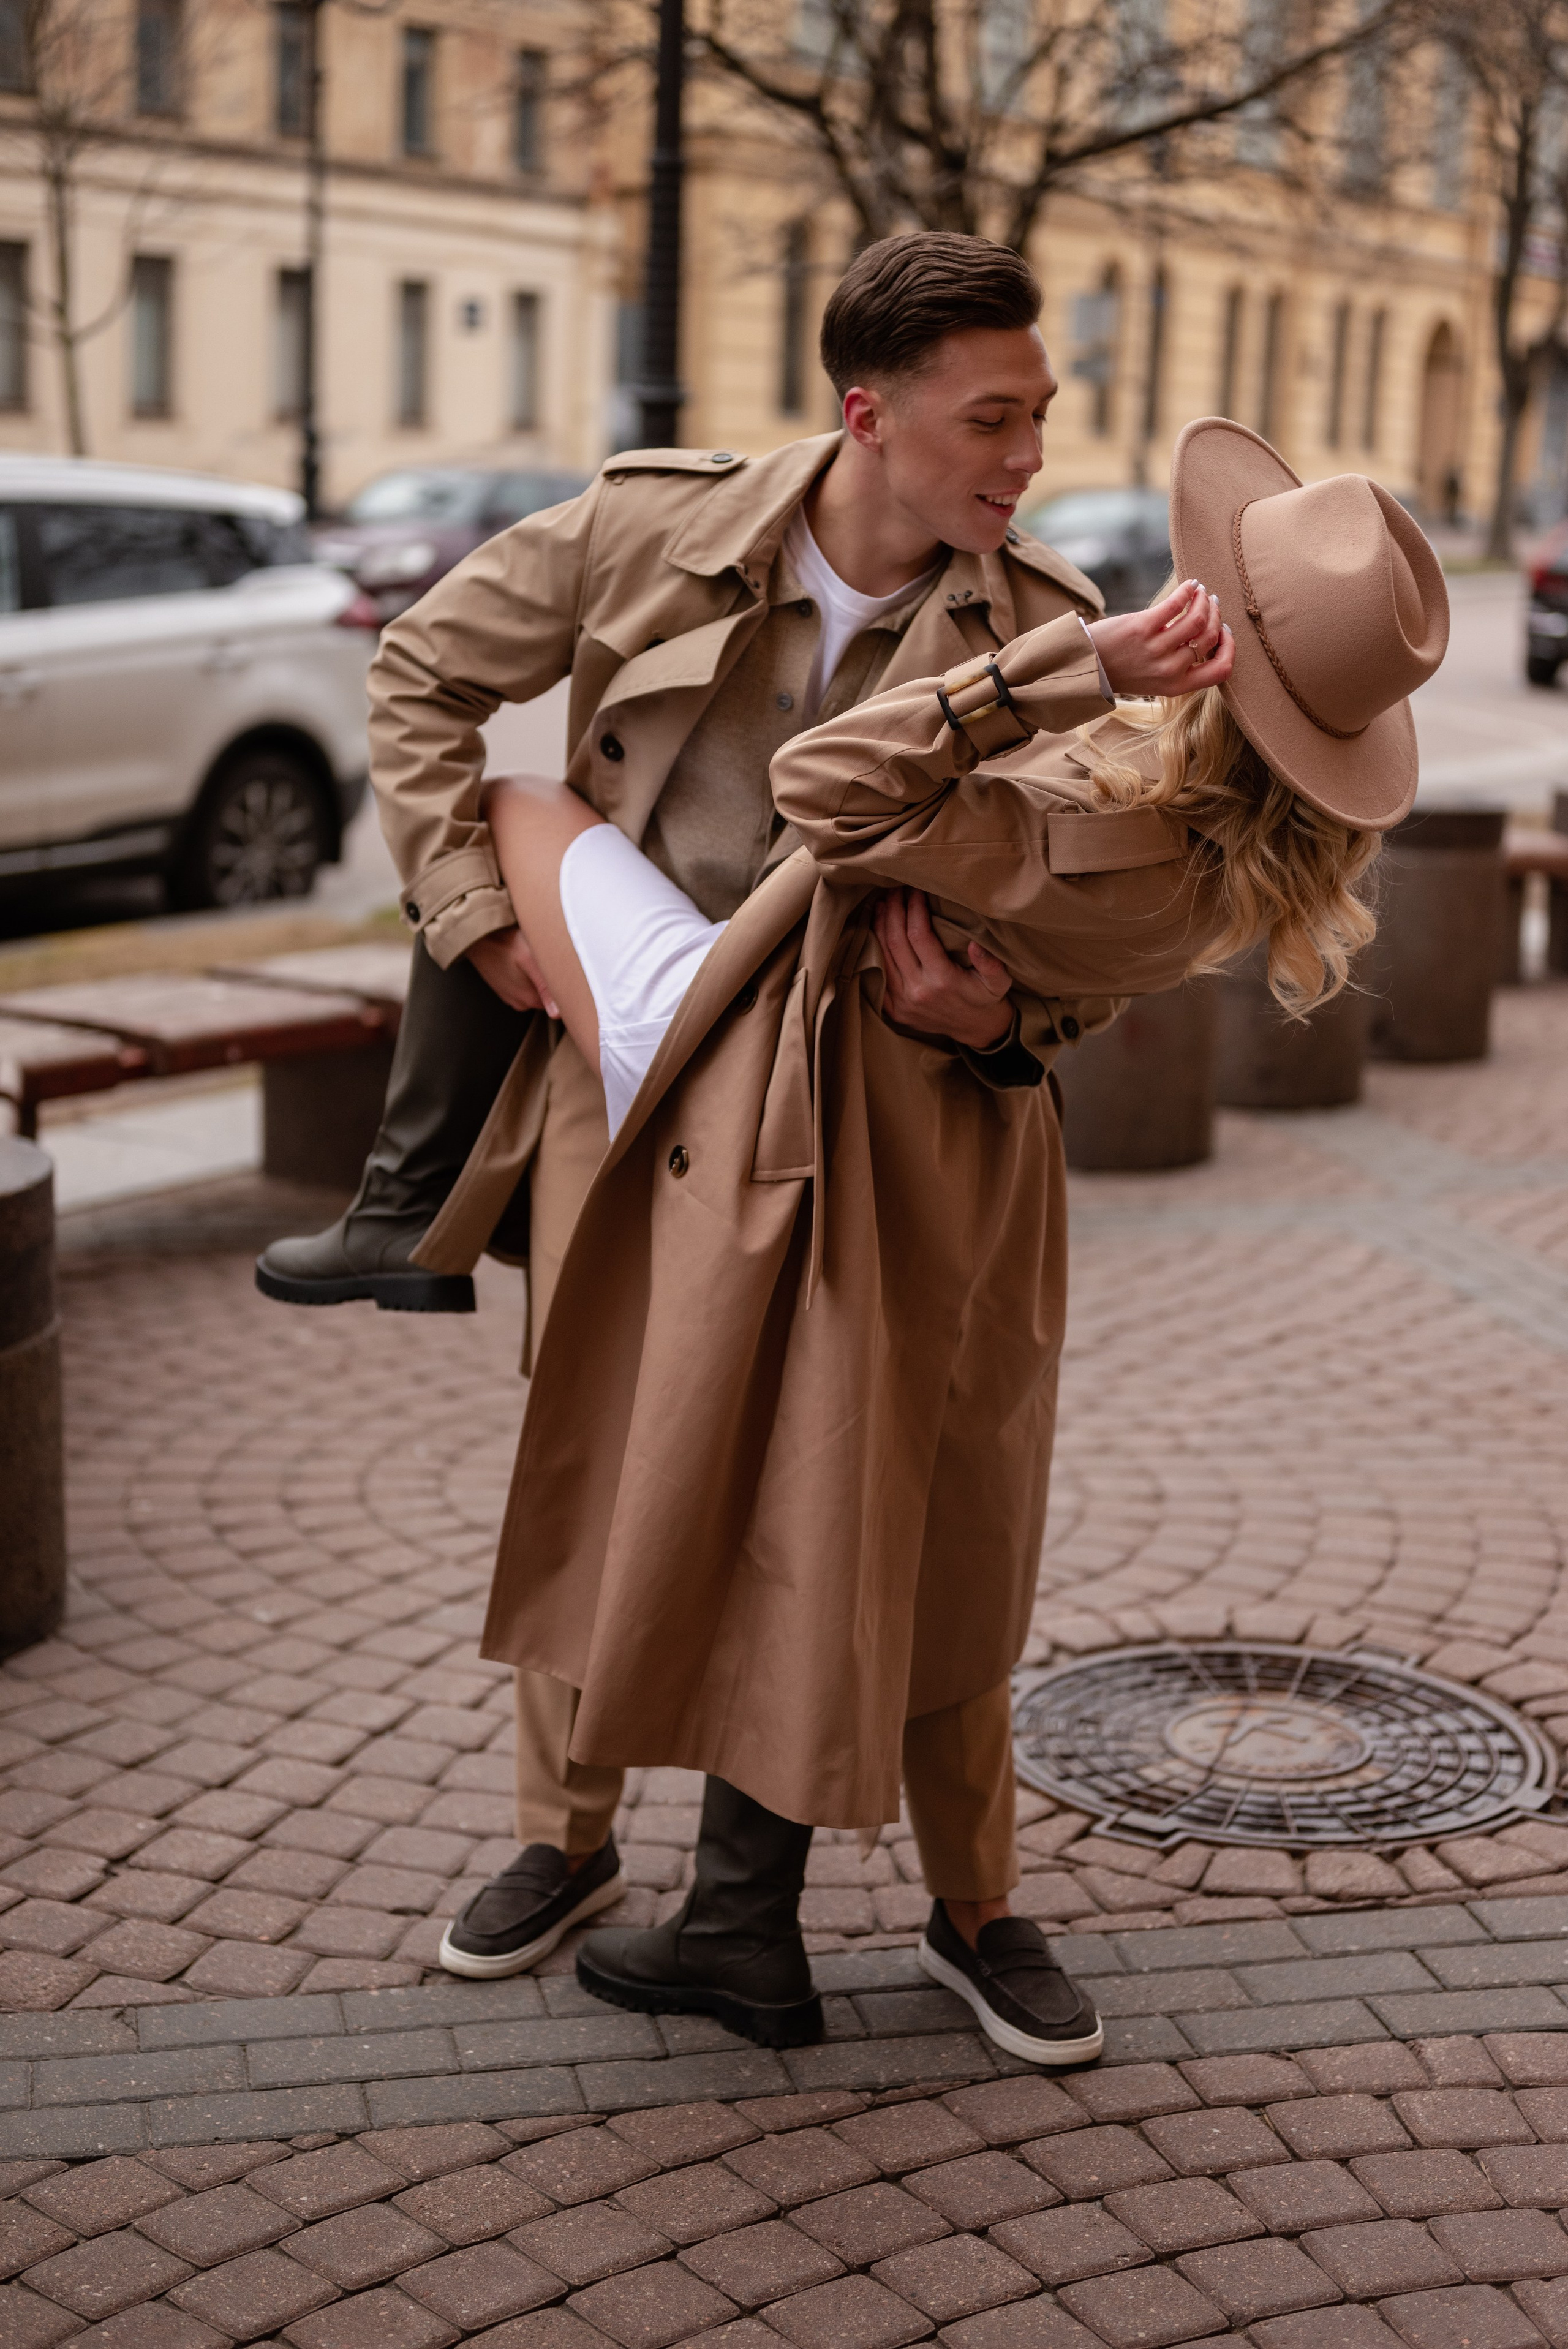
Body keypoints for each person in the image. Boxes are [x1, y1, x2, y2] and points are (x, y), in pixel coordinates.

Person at [433, 420, 1449, 2062]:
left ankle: (742, 1920)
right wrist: (1003, 1027)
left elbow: (818, 784)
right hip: (975, 1164)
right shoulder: (1217, 860)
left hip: (823, 1137)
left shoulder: (1087, 799)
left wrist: (1060, 666)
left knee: (760, 1489)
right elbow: (1068, 995)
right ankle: (823, 1909)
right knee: (916, 1519)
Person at [258, 232, 1119, 1980]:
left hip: (922, 1125)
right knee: (606, 1450)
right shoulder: (656, 529)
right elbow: (425, 674)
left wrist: (1014, 1016)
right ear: (870, 416)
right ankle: (561, 1846)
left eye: (1041, 415)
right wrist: (477, 919)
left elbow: (1101, 918)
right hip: (642, 1106)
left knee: (940, 1491)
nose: (1030, 458)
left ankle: (975, 1903)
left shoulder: (1049, 635)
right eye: (994, 419)